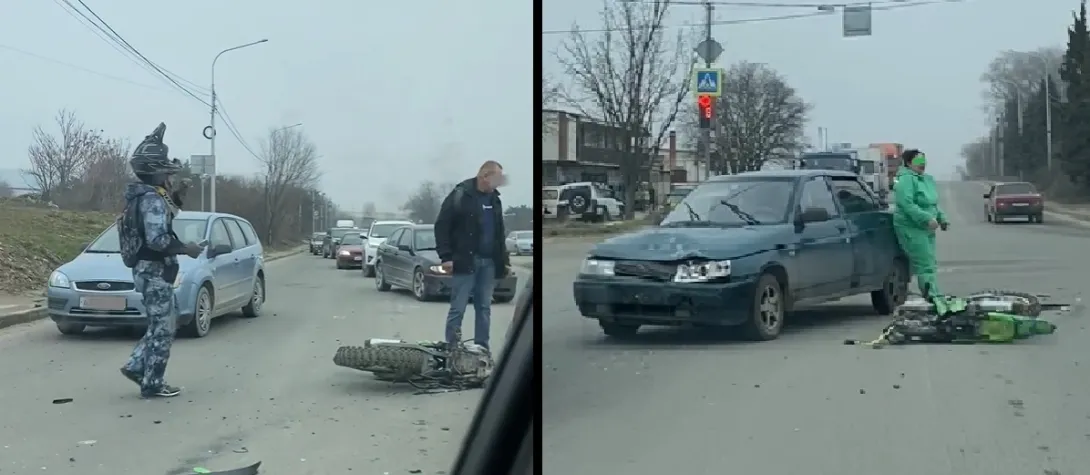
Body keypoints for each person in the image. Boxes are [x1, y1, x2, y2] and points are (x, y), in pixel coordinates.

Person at [116, 123, 204, 398]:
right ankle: (153, 382)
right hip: (154, 271)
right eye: (166, 171)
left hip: (149, 271)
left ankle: (135, 365)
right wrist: (185, 248)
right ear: (155, 171)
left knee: (164, 322)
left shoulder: (143, 197)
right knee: (165, 328)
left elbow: (166, 212)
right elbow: (157, 239)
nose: (169, 176)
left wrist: (178, 195)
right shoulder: (151, 199)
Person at [434, 161, 511, 352]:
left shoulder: (495, 199)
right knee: (458, 308)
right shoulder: (461, 195)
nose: (498, 183)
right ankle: (452, 348)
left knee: (484, 308)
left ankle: (481, 349)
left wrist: (504, 262)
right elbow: (441, 226)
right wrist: (446, 257)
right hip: (465, 261)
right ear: (484, 176)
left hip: (489, 263)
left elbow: (499, 233)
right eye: (496, 178)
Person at [892, 149, 949, 299]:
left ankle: (934, 294)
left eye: (923, 161)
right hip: (911, 227)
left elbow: (932, 204)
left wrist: (942, 218)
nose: (922, 164)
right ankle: (931, 296)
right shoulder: (905, 179)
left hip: (927, 229)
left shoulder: (927, 179)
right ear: (908, 163)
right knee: (924, 263)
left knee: (930, 262)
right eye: (918, 161)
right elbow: (906, 204)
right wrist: (925, 218)